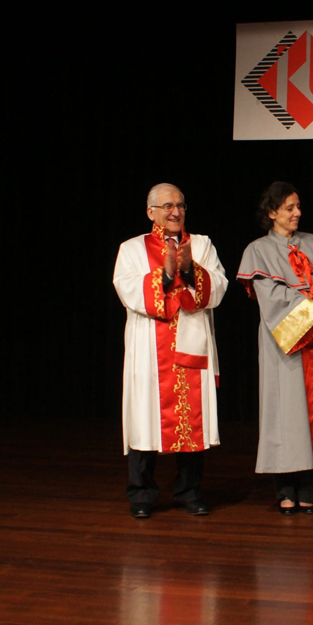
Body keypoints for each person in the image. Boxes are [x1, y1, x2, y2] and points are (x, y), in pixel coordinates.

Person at [237, 181, 313, 515]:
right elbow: (272, 299)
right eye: (289, 208)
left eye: (298, 206)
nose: (297, 213)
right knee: (286, 415)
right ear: (271, 212)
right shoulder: (258, 250)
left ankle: (309, 489)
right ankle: (285, 489)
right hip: (285, 343)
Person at [113, 183, 228, 519]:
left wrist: (190, 269)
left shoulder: (202, 244)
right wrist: (164, 274)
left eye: (180, 205)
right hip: (149, 348)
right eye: (167, 206)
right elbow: (127, 289)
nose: (175, 212)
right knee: (144, 417)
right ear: (151, 212)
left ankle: (190, 491)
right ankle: (142, 494)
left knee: (192, 421)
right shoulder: (132, 248)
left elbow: (219, 287)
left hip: (192, 341)